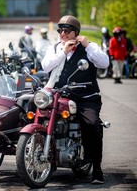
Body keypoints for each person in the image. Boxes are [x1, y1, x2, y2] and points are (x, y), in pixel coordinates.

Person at [41, 15, 109, 184]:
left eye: (66, 31)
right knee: (31, 107)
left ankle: (97, 168)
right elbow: (46, 66)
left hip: (86, 97)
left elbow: (105, 63)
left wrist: (87, 45)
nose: (62, 34)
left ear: (76, 32)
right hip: (59, 94)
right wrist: (63, 52)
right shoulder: (55, 48)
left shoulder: (89, 48)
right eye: (60, 30)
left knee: (92, 124)